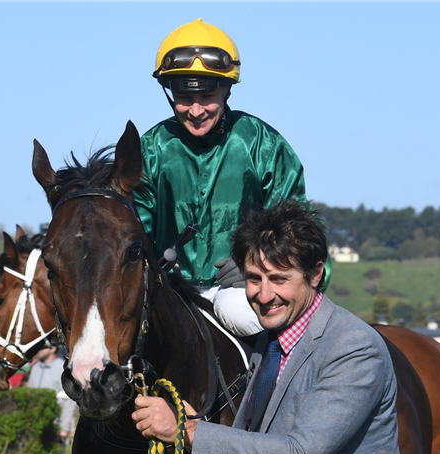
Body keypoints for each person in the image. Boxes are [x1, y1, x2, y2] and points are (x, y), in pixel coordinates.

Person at [132, 200, 404, 454]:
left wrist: (187, 432)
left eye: (279, 279)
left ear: (315, 274)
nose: (264, 295)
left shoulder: (354, 347)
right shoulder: (270, 340)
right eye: (253, 279)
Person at [136, 19, 331, 338]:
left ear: (228, 89)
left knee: (236, 309)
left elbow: (298, 233)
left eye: (208, 95)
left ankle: (279, 384)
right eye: (185, 97)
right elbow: (131, 228)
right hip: (167, 291)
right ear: (170, 92)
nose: (196, 111)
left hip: (242, 292)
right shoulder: (150, 150)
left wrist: (254, 267)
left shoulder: (262, 145)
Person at [27, 345, 76, 441]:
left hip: (54, 426)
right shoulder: (36, 367)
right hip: (32, 424)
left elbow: (69, 400)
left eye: (42, 347)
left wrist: (64, 428)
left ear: (53, 349)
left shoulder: (62, 368)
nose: (39, 350)